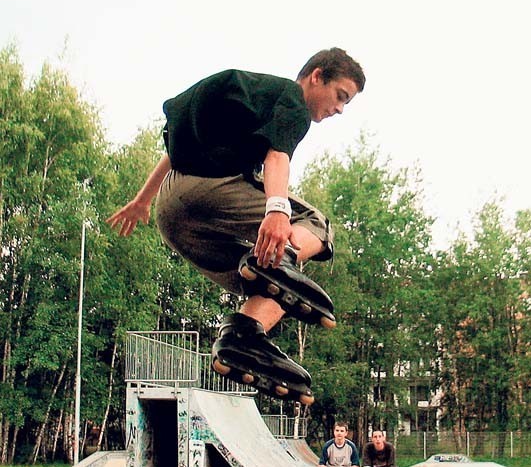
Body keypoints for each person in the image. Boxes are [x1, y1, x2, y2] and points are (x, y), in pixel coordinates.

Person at [107, 49, 365, 404]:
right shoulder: (292, 100)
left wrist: (142, 201)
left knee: (271, 287)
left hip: (172, 212)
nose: (338, 109)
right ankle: (276, 269)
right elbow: (278, 158)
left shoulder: (251, 103)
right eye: (341, 97)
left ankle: (242, 337)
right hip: (210, 190)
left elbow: (172, 155)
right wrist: (277, 212)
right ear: (317, 76)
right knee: (314, 225)